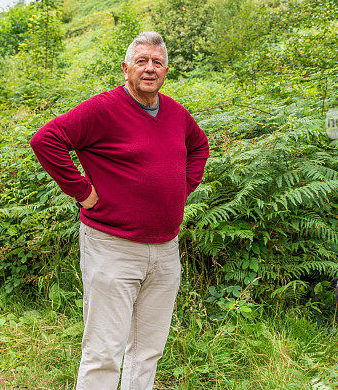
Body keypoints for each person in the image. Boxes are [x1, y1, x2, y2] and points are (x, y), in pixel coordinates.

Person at [30, 31, 210, 389]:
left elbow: (199, 146)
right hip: (112, 246)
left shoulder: (175, 113)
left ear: (166, 70)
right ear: (125, 68)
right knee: (103, 351)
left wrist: (182, 187)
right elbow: (45, 140)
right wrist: (82, 191)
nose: (149, 68)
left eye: (157, 62)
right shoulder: (103, 109)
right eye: (141, 61)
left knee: (148, 350)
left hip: (165, 250)